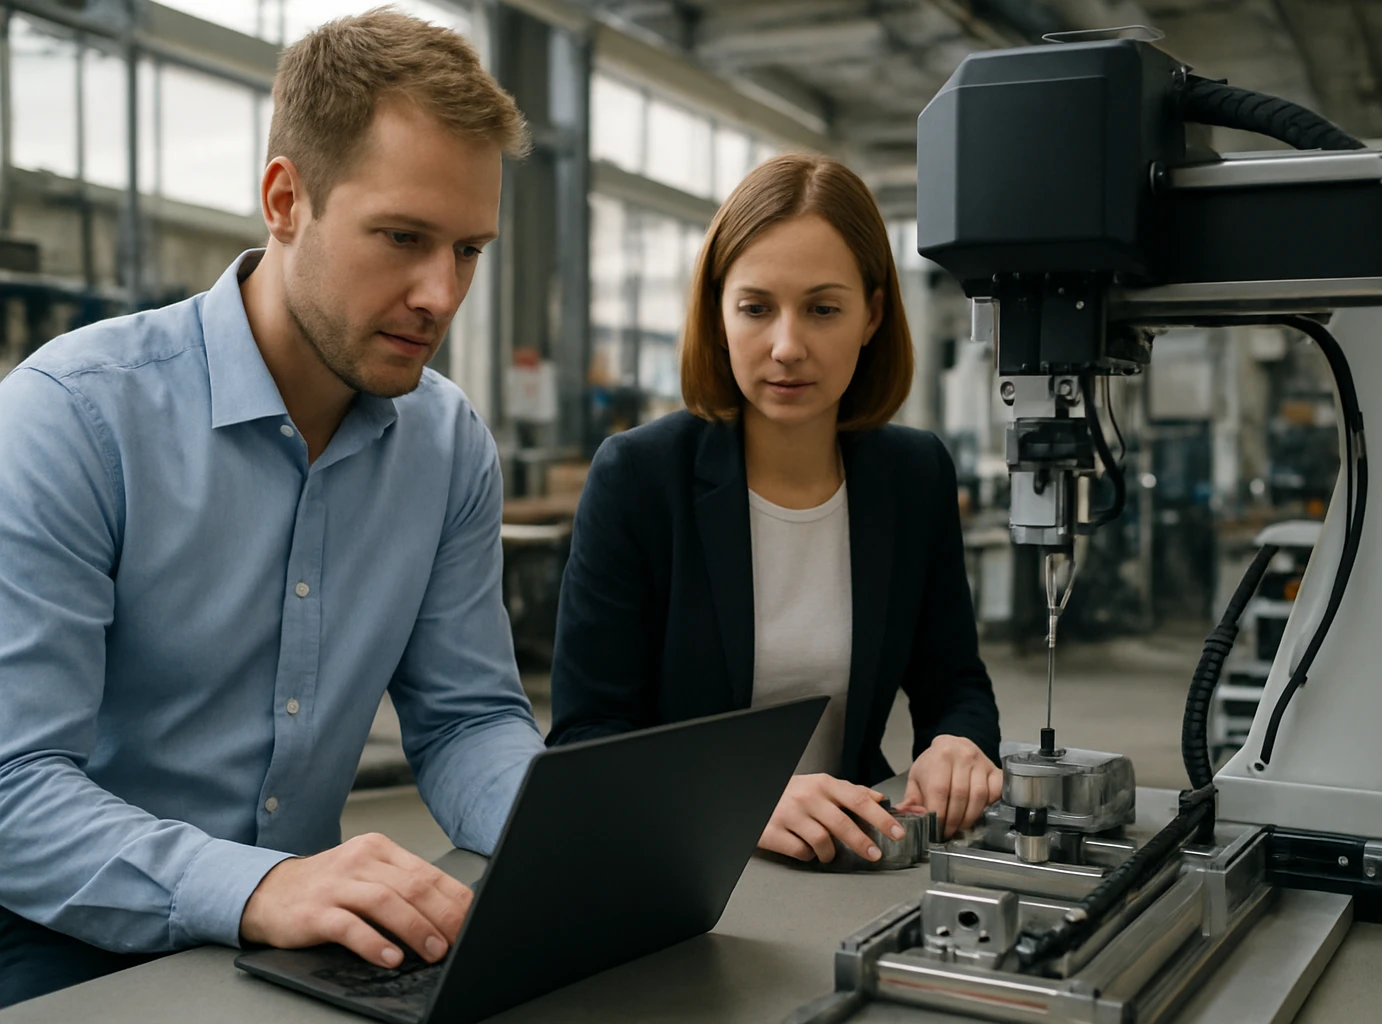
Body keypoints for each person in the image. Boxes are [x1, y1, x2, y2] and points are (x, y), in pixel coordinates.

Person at [0, 11, 540, 1007]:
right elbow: (13, 789)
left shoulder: (448, 443)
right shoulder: (73, 414)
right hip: (60, 940)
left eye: (468, 249)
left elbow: (467, 721)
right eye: (403, 237)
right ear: (285, 199)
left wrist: (577, 842)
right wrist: (260, 885)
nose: (440, 292)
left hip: (302, 940)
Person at [548, 154, 1003, 866]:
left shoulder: (913, 475)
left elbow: (954, 681)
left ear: (872, 315)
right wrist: (742, 794)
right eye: (756, 308)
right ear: (718, 313)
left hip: (853, 855)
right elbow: (585, 738)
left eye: (823, 309)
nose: (787, 347)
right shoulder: (639, 477)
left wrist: (957, 743)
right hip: (682, 864)